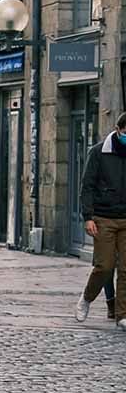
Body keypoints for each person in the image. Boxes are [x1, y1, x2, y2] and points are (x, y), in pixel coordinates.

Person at [75, 114, 126, 329]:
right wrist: (88, 217)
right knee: (105, 266)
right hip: (104, 217)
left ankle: (122, 315)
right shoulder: (98, 152)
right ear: (118, 129)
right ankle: (87, 298)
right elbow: (87, 186)